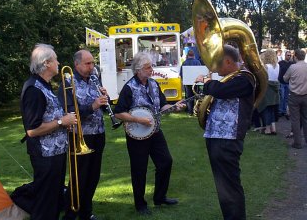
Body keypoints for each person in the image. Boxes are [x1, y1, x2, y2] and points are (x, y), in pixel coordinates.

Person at [11, 44, 77, 220]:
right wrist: (62, 121)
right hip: (45, 156)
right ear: (47, 63)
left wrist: (63, 121)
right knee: (45, 204)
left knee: (53, 200)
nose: (58, 62)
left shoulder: (44, 85)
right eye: (55, 59)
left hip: (55, 153)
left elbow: (49, 116)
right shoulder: (34, 89)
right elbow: (32, 130)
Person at [114, 52, 184, 215]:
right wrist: (138, 120)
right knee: (139, 169)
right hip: (137, 135)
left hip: (155, 131)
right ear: (138, 70)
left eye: (151, 66)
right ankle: (140, 204)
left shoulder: (153, 84)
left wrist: (174, 107)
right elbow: (119, 113)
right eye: (148, 67)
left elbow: (163, 106)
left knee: (166, 162)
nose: (151, 69)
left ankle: (160, 197)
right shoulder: (129, 88)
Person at [195, 44, 255, 220]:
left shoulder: (245, 79)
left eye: (217, 64)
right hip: (216, 137)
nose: (214, 68)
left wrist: (207, 83)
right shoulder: (230, 79)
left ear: (228, 61)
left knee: (230, 186)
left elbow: (220, 91)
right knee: (223, 186)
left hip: (228, 139)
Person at [59, 50, 108, 220]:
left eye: (92, 63)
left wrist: (104, 100)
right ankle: (71, 213)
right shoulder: (68, 82)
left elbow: (99, 105)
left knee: (93, 175)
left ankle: (86, 212)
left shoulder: (94, 78)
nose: (91, 67)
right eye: (87, 64)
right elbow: (69, 112)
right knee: (80, 176)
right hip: (80, 136)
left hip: (98, 133)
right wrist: (93, 106)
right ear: (77, 64)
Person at [283, 49, 307, 149]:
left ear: (295, 56)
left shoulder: (292, 67)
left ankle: (297, 142)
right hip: (306, 95)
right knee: (306, 119)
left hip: (294, 95)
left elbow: (285, 78)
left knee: (295, 120)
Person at [257, 49, 280, 134]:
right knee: (272, 109)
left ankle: (267, 129)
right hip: (275, 89)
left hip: (267, 88)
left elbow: (264, 78)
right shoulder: (277, 65)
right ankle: (273, 128)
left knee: (266, 108)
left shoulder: (266, 66)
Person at [180, 49, 201, 115]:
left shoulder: (184, 63)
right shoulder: (197, 62)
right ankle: (197, 111)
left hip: (187, 82)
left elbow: (181, 74)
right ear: (193, 55)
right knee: (197, 96)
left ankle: (190, 112)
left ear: (187, 55)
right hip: (196, 82)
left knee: (189, 97)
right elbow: (200, 72)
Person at [278, 50, 293, 117]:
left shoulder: (292, 64)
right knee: (282, 97)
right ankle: (280, 111)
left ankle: (284, 111)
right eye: (288, 55)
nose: (289, 56)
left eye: (290, 55)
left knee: (286, 98)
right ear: (285, 55)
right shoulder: (280, 63)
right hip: (281, 82)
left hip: (289, 83)